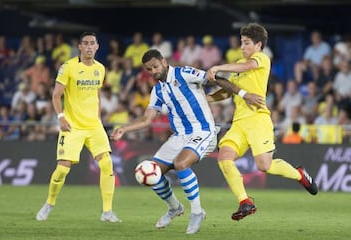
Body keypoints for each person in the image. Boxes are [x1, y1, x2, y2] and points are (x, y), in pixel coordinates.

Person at [110, 49, 259, 234]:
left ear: (164, 62)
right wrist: (125, 129)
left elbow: (216, 79)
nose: (153, 71)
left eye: (155, 66)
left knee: (181, 164)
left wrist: (244, 94)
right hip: (179, 136)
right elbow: (147, 119)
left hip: (203, 131)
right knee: (151, 173)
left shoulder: (184, 73)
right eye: (149, 69)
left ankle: (197, 212)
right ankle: (174, 208)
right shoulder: (158, 90)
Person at [206, 22, 318, 221]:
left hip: (258, 119)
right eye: (241, 42)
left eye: (247, 43)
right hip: (239, 123)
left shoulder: (261, 59)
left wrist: (218, 67)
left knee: (264, 166)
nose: (243, 47)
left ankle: (300, 175)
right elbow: (226, 91)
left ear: (258, 45)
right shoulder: (238, 66)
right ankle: (245, 201)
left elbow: (247, 66)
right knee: (224, 158)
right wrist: (205, 99)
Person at [36, 32, 121, 223]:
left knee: (107, 164)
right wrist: (60, 117)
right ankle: (49, 203)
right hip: (72, 126)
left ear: (97, 47)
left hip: (94, 126)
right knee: (63, 170)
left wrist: (98, 118)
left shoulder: (101, 69)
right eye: (86, 43)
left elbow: (96, 95)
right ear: (80, 47)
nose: (89, 46)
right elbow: (56, 95)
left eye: (93, 43)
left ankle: (107, 212)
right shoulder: (68, 67)